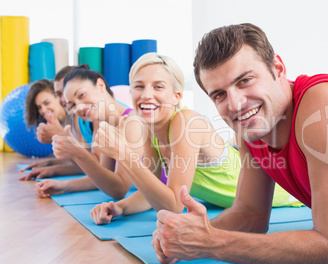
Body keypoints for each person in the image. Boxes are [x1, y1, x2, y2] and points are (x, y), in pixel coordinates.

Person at [152, 23, 328, 264]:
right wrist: (183, 237)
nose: (236, 103)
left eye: (245, 80)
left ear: (278, 68)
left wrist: (210, 242)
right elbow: (250, 214)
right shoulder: (251, 126)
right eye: (219, 94)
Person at [89, 53, 242, 224]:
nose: (146, 95)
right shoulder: (149, 129)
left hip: (272, 195)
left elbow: (174, 206)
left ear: (176, 96)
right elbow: (150, 193)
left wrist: (122, 153)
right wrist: (119, 208)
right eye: (139, 86)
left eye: (158, 87)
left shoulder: (186, 121)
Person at [36, 65, 134, 199]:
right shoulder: (107, 126)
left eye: (81, 95)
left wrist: (77, 152)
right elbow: (104, 176)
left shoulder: (129, 122)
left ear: (100, 85)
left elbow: (119, 189)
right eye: (72, 105)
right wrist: (64, 185)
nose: (79, 107)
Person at [20, 66, 97, 180]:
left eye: (46, 103)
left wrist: (54, 169)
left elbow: (93, 164)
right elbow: (83, 161)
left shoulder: (79, 116)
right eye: (39, 107)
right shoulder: (68, 120)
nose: (43, 110)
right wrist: (51, 164)